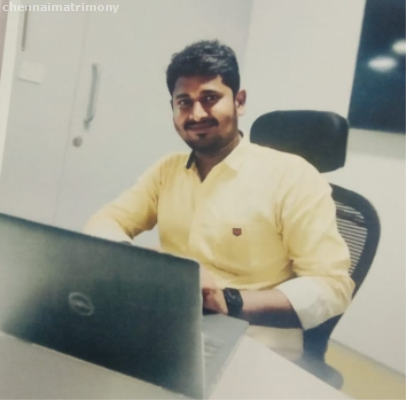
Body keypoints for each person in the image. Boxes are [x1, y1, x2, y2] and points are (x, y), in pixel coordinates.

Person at [84, 40, 354, 359]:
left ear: (239, 101)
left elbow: (331, 286)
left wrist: (228, 301)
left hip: (253, 343)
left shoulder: (292, 176)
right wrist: (137, 261)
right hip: (169, 329)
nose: (197, 113)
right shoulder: (167, 170)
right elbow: (106, 221)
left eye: (210, 98)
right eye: (184, 102)